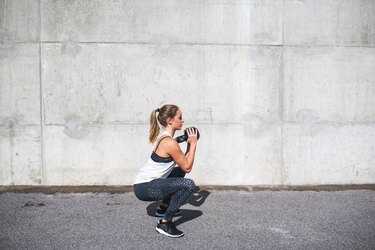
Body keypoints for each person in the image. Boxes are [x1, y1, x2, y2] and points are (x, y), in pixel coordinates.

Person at [133, 104, 198, 238]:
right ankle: (165, 222)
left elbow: (183, 165)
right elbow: (188, 167)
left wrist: (187, 143)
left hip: (143, 184)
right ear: (170, 120)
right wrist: (193, 144)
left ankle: (163, 208)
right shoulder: (170, 143)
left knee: (179, 172)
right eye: (180, 117)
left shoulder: (165, 138)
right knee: (189, 184)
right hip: (146, 188)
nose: (182, 120)